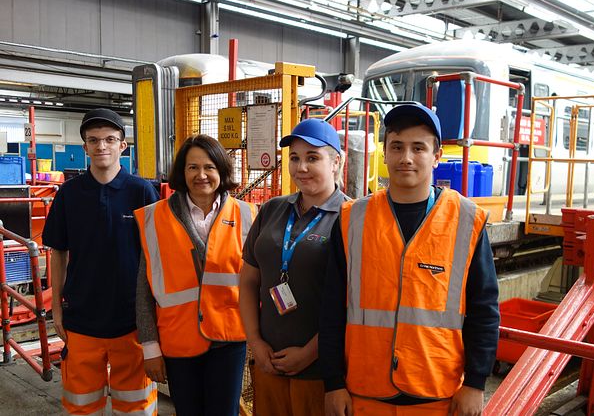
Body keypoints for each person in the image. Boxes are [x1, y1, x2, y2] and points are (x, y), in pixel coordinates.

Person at [319, 104, 500, 416]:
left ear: (437, 155)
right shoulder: (352, 219)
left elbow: (484, 310)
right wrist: (332, 383)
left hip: (436, 394)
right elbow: (332, 307)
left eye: (419, 148)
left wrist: (476, 382)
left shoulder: (467, 221)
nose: (406, 158)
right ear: (385, 153)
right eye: (397, 147)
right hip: (364, 393)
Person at [43, 108, 159, 415]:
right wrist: (56, 308)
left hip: (132, 321)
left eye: (110, 139)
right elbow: (58, 252)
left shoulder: (142, 192)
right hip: (81, 319)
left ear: (123, 145)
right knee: (82, 406)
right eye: (93, 140)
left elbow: (157, 258)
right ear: (84, 147)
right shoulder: (69, 194)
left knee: (136, 407)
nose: (101, 146)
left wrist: (156, 314)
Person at [134, 134, 256, 415]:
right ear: (182, 172)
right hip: (178, 339)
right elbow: (143, 287)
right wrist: (150, 346)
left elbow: (255, 282)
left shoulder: (247, 215)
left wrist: (259, 339)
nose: (201, 175)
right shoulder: (155, 218)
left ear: (221, 171)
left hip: (229, 340)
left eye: (209, 167)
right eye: (192, 167)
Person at [239, 118, 347, 416]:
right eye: (295, 158)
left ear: (336, 162)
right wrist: (256, 343)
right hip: (267, 363)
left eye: (313, 158)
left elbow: (353, 303)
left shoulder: (350, 217)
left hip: (320, 372)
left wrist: (310, 353)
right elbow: (248, 280)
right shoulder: (273, 209)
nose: (301, 167)